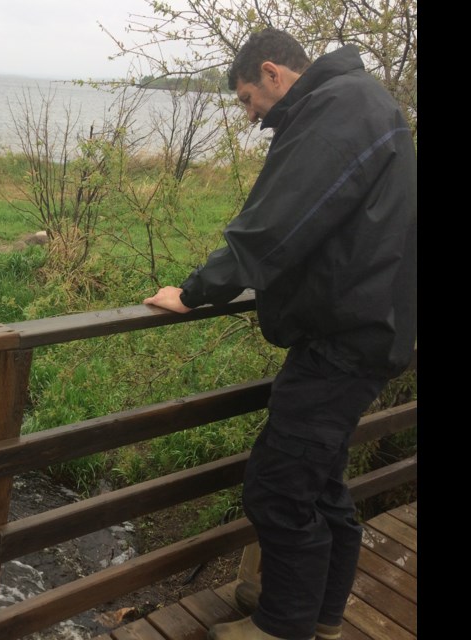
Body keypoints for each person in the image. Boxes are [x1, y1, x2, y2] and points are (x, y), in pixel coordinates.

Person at [143, 28, 416, 640]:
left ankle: (282, 625)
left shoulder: (337, 110)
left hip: (343, 340)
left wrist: (193, 291)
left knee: (278, 486)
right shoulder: (364, 100)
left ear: (272, 72)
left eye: (246, 98)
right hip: (364, 330)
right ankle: (318, 614)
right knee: (319, 484)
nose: (250, 115)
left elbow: (274, 227)